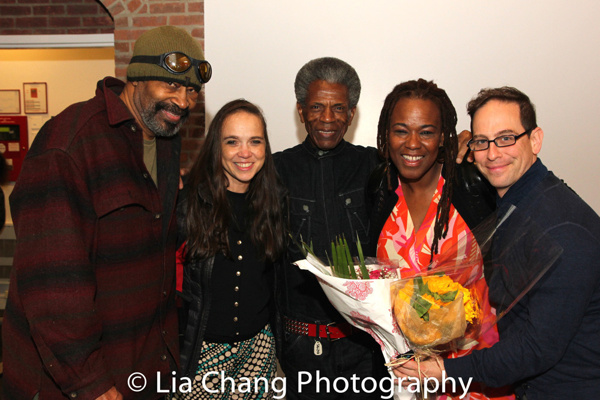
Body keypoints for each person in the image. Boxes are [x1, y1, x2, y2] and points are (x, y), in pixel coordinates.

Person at [2, 25, 212, 400]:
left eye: (191, 90)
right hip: (73, 382)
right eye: (172, 86)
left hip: (144, 367)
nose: (183, 101)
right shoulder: (69, 144)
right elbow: (52, 286)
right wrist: (92, 385)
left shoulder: (165, 140)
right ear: (135, 79)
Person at [394, 86, 600, 399]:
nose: (492, 153)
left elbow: (537, 348)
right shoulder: (519, 202)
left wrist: (446, 372)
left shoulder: (562, 228)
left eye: (506, 138)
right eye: (482, 141)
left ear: (535, 140)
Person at [369, 79, 512, 400]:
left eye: (427, 131)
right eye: (401, 130)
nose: (413, 143)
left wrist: (474, 143)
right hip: (407, 372)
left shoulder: (470, 183)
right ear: (386, 134)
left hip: (474, 371)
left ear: (444, 136)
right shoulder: (380, 187)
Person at [273, 57, 387, 399]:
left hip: (365, 350)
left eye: (338, 108)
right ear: (301, 111)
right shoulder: (276, 169)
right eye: (317, 107)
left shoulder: (373, 165)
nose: (327, 118)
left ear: (351, 114)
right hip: (300, 350)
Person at [176, 99, 287, 399]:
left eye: (255, 141)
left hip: (259, 351)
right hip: (202, 356)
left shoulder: (274, 202)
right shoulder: (188, 204)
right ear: (217, 147)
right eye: (232, 142)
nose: (245, 152)